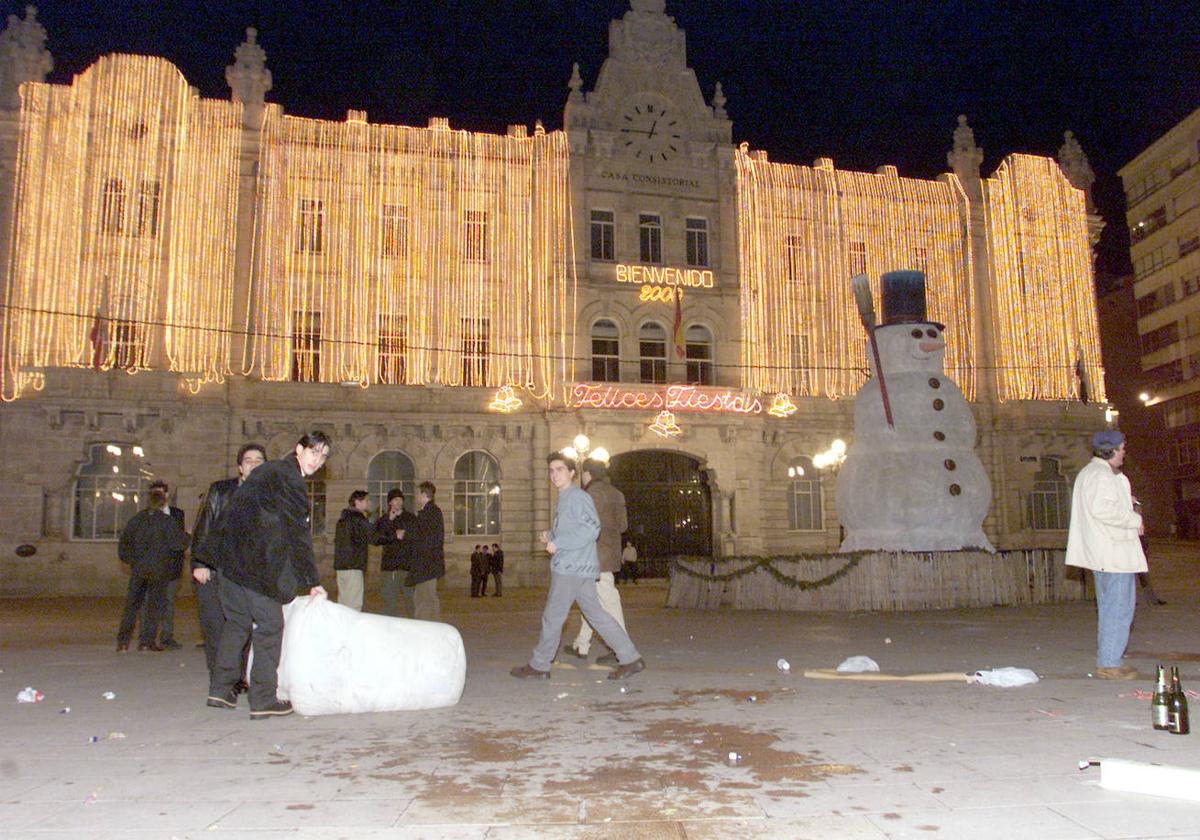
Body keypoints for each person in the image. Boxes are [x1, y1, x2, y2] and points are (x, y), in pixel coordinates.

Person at [206, 431, 330, 718]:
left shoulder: (267, 470)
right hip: (256, 566)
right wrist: (311, 581)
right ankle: (262, 699)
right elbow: (297, 533)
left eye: (323, 457)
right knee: (270, 627)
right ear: (299, 449)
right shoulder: (291, 479)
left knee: (236, 624)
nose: (318, 461)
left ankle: (221, 689)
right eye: (314, 452)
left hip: (230, 563)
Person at [511, 452, 645, 681]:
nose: (554, 475)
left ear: (573, 473)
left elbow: (591, 528)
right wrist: (552, 535)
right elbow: (576, 528)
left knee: (553, 616)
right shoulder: (567, 497)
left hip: (571, 567)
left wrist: (559, 543)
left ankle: (540, 665)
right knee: (596, 614)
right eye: (551, 470)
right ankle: (630, 658)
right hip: (580, 566)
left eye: (560, 469)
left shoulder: (577, 497)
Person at [1065, 430, 1146, 680]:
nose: (1124, 452)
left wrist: (1125, 500)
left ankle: (1109, 658)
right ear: (1111, 450)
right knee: (1119, 609)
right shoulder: (1101, 476)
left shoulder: (1093, 473)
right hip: (1113, 553)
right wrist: (1134, 519)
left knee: (1111, 607)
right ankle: (1110, 663)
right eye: (1122, 447)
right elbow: (1102, 509)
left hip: (1105, 553)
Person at [191, 442, 265, 674]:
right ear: (240, 468)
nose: (253, 464)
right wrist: (200, 563)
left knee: (243, 627)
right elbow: (203, 526)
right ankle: (220, 679)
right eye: (248, 461)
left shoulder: (269, 497)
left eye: (258, 461)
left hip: (247, 575)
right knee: (215, 627)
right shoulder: (220, 491)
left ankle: (239, 675)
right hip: (214, 570)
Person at [563, 457, 628, 664]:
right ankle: (581, 645)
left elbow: (583, 526)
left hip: (595, 557)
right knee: (589, 601)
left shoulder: (590, 494)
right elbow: (623, 526)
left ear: (588, 474)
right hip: (610, 554)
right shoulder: (617, 493)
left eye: (583, 474)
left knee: (609, 601)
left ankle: (622, 648)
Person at [116, 480, 189, 652]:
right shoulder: (167, 521)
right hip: (159, 570)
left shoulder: (137, 520)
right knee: (153, 606)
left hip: (139, 569)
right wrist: (188, 536)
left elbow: (124, 544)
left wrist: (131, 560)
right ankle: (146, 641)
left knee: (132, 606)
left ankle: (123, 642)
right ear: (164, 501)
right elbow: (179, 544)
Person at [138, 481, 187, 649]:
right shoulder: (143, 517)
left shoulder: (177, 514)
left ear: (167, 495)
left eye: (160, 493)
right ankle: (146, 638)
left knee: (168, 603)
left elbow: (178, 540)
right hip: (150, 568)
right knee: (147, 603)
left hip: (170, 568)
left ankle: (166, 637)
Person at [374, 488, 417, 617]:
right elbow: (377, 539)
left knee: (411, 601)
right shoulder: (384, 519)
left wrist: (405, 535)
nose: (398, 502)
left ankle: (414, 627)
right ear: (389, 503)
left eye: (400, 499)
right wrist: (389, 521)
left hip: (406, 566)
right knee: (389, 601)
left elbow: (417, 537)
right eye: (395, 500)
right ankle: (389, 629)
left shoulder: (410, 518)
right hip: (390, 567)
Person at [407, 481, 445, 620]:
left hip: (426, 564)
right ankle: (428, 628)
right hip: (427, 564)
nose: (416, 496)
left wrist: (406, 534)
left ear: (423, 494)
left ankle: (428, 629)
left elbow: (424, 537)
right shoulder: (430, 511)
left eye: (418, 493)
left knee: (426, 598)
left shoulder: (430, 513)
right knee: (423, 597)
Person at [334, 490, 372, 611]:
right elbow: (373, 536)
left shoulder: (343, 518)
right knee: (354, 604)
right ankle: (351, 628)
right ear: (357, 502)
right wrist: (393, 535)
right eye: (366, 500)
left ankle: (342, 627)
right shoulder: (358, 519)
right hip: (353, 565)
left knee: (343, 602)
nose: (369, 503)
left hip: (341, 566)